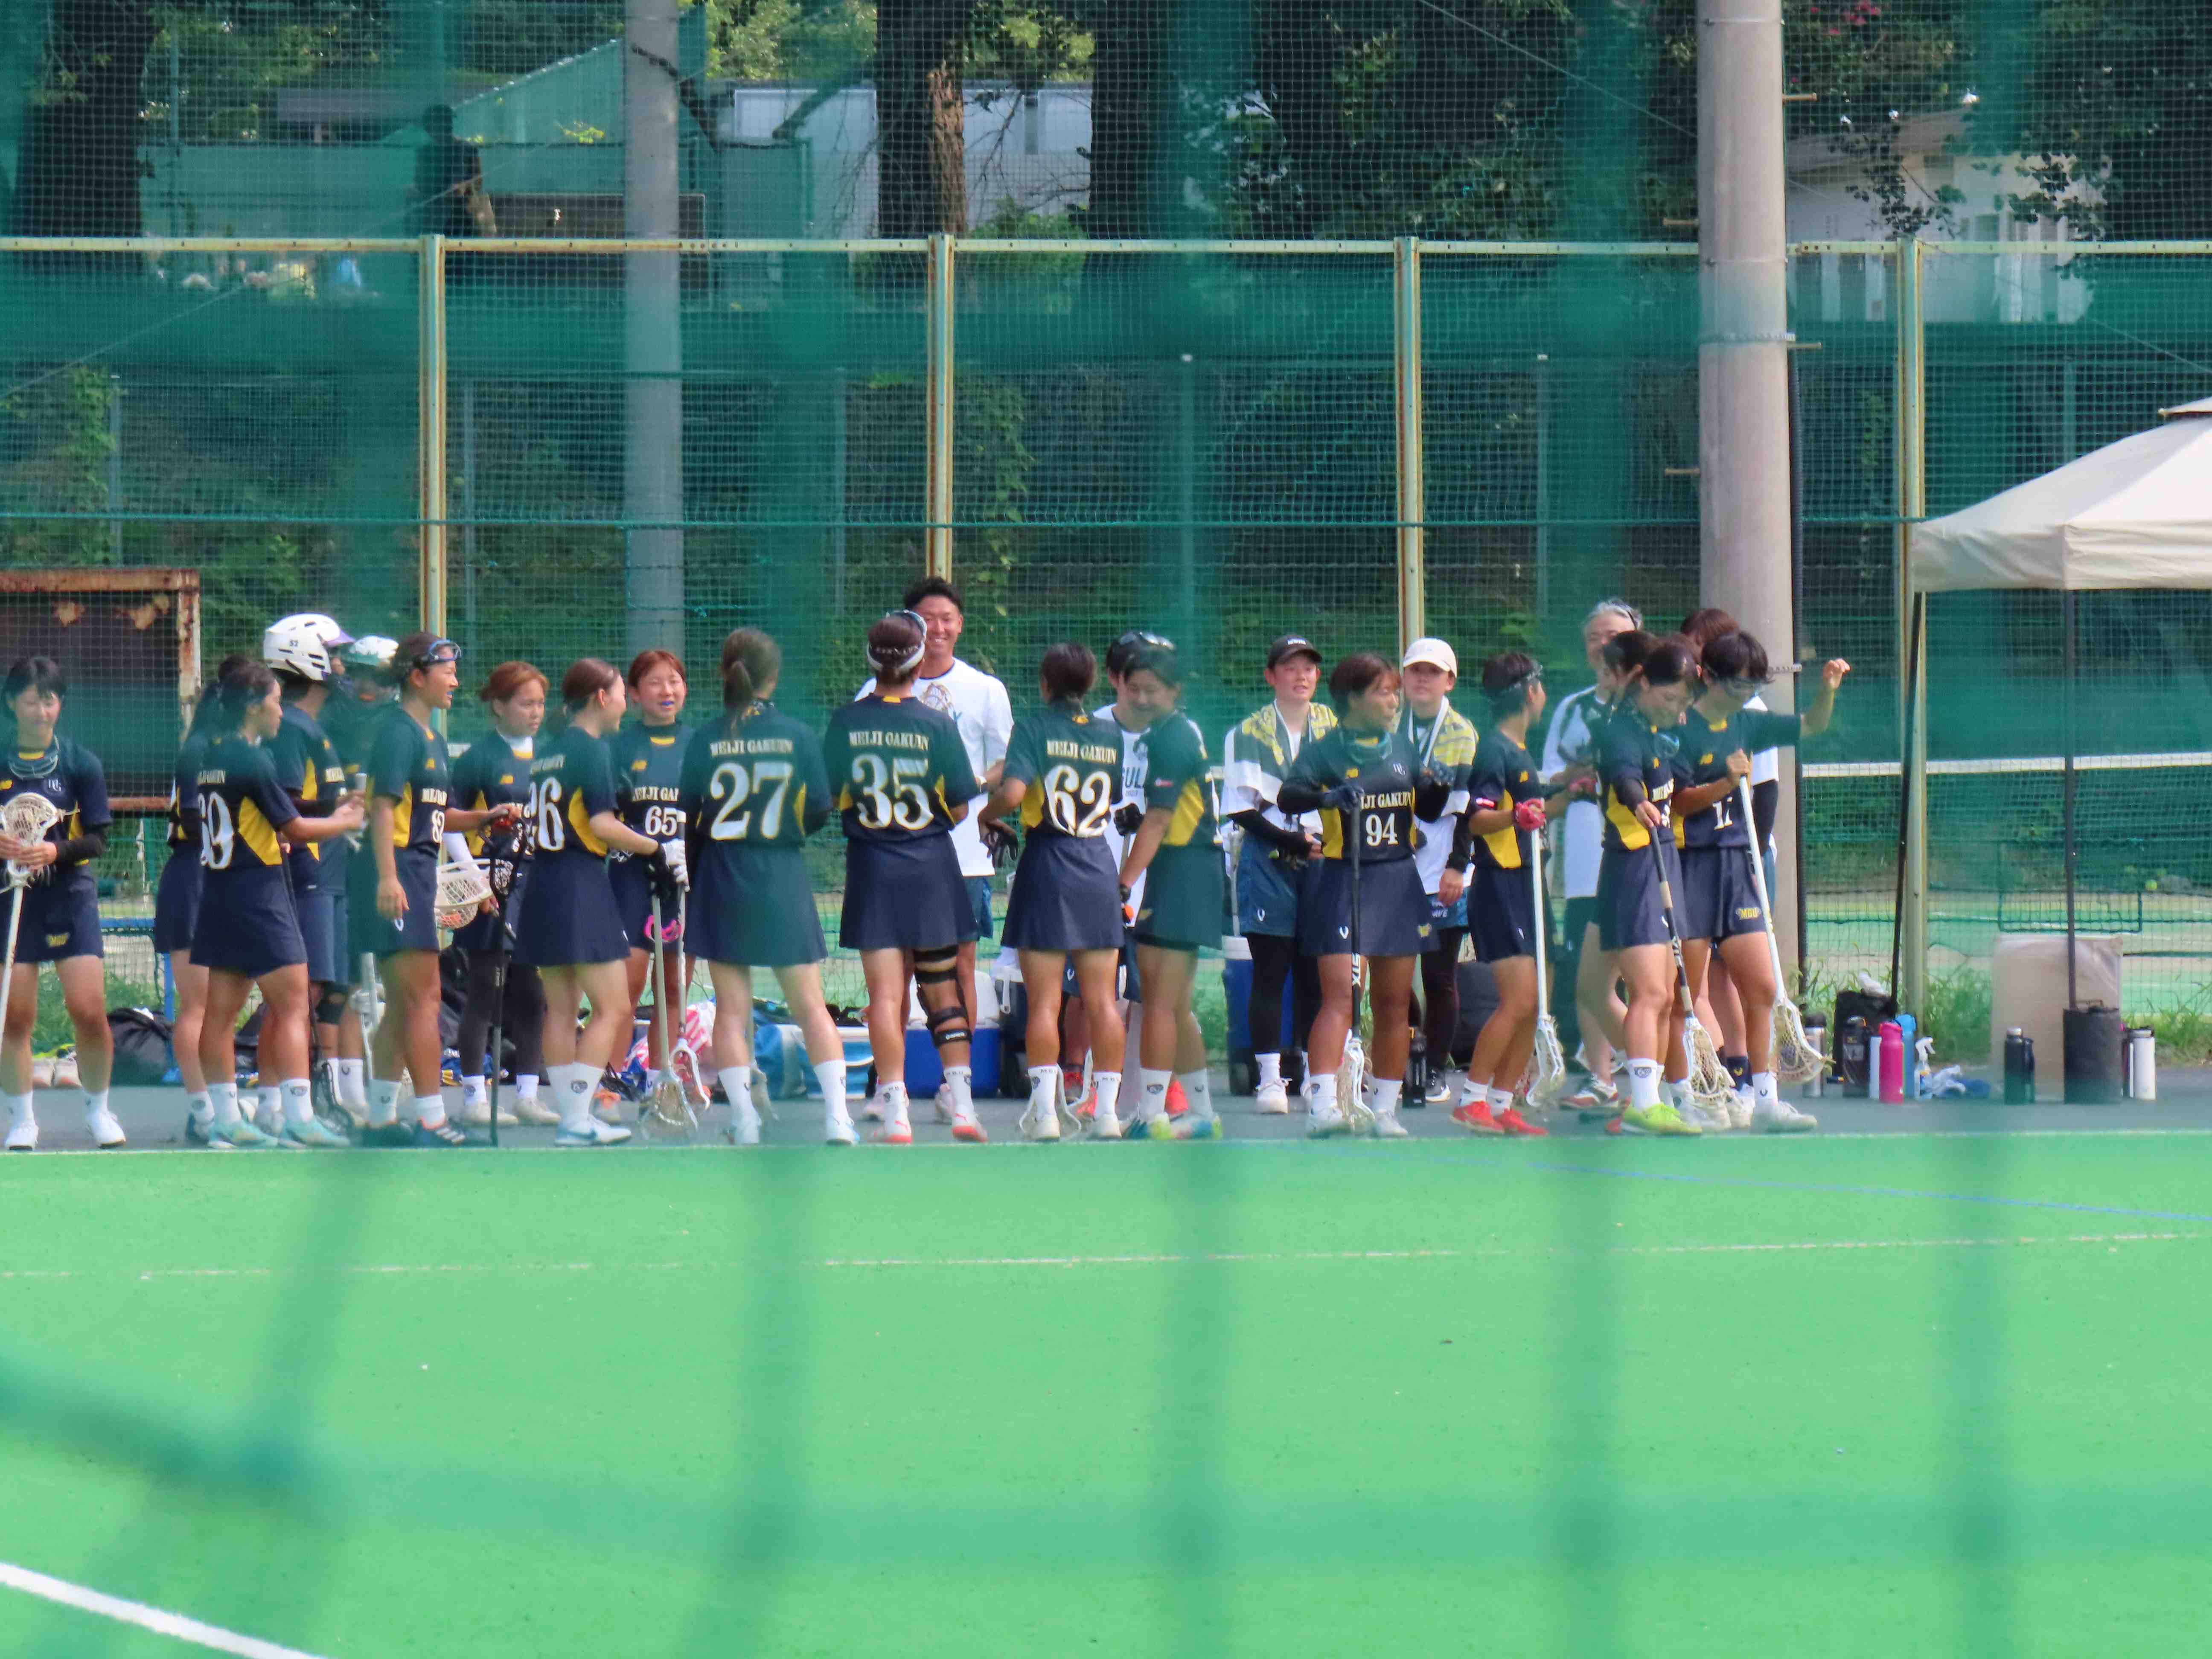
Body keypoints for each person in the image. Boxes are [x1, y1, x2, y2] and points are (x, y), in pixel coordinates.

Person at [1676, 630, 1851, 1132]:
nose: (1745, 695)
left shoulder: (1748, 722)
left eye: (1753, 685)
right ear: (1708, 677)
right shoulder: (1680, 729)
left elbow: (1811, 725)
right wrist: (1726, 783)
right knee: (1686, 994)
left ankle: (1766, 1098)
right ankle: (1691, 1093)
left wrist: (1828, 690)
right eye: (1737, 685)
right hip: (1691, 866)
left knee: (1764, 987)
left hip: (1737, 866)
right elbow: (1678, 802)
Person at [853, 577, 1012, 1118]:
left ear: (960, 624)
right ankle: (887, 1085)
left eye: (948, 618)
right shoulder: (870, 695)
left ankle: (953, 1088)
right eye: (928, 619)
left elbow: (1006, 762)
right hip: (901, 852)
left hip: (962, 855)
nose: (939, 628)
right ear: (911, 629)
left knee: (959, 969)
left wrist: (965, 785)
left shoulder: (985, 689)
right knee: (892, 976)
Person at [190, 659, 364, 1149]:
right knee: (293, 1004)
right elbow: (296, 829)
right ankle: (299, 1119)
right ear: (253, 706)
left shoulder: (211, 755)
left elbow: (266, 815)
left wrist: (328, 811)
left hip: (220, 891)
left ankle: (226, 1121)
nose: (281, 712)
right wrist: (347, 820)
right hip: (259, 893)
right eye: (273, 701)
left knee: (220, 1014)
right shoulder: (254, 760)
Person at [349, 633, 514, 1147]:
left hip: (418, 870)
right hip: (398, 869)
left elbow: (436, 815)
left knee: (404, 1004)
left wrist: (485, 817)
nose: (456, 682)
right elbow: (382, 809)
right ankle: (430, 1119)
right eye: (447, 672)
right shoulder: (398, 734)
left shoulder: (432, 739)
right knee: (425, 998)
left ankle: (380, 1120)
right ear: (418, 676)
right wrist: (387, 877)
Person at [684, 629, 849, 1144]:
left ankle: (745, 1122)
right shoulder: (796, 734)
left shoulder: (706, 738)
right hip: (780, 874)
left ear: (724, 672)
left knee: (731, 1011)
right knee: (811, 1005)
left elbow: (690, 814)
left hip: (723, 874)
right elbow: (821, 806)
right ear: (774, 677)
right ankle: (838, 1119)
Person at [827, 611, 986, 1146]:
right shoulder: (937, 724)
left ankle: (896, 1112)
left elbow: (833, 797)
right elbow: (960, 807)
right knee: (943, 988)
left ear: (872, 662)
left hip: (874, 870)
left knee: (884, 994)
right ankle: (963, 1107)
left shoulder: (847, 722)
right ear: (919, 663)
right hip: (931, 870)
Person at [1278, 653, 1447, 1139]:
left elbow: (1427, 811)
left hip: (1397, 883)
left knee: (1395, 1003)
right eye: (1383, 692)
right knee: (1340, 1000)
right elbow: (1289, 796)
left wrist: (1437, 787)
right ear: (1354, 699)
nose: (1394, 702)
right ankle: (1323, 1107)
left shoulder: (1404, 749)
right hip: (1344, 882)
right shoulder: (1325, 752)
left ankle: (1385, 1109)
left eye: (1395, 692)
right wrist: (1325, 798)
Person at [516, 658, 677, 1147]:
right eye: (621, 694)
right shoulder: (593, 750)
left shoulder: (548, 752)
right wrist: (655, 849)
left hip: (543, 883)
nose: (625, 704)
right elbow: (603, 825)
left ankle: (573, 1118)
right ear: (602, 698)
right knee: (613, 1006)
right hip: (579, 883)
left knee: (561, 1009)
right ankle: (576, 1117)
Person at [980, 642, 1130, 1141]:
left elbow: (1013, 794)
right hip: (1097, 865)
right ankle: (1106, 1114)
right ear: (1091, 684)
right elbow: (1108, 798)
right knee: (1102, 1001)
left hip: (1048, 863)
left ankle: (1045, 1113)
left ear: (1045, 685)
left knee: (1044, 1003)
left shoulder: (1034, 728)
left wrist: (986, 815)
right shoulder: (1109, 734)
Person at [1449, 652, 1578, 1137]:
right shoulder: (1493, 751)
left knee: (1539, 999)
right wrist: (1515, 817)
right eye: (1541, 687)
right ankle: (1472, 1100)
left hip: (1529, 883)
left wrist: (1573, 792)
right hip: (1500, 885)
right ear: (1530, 692)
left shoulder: (1520, 751)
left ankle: (1503, 1103)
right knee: (1519, 1001)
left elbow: (1536, 812)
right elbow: (1479, 819)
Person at [0, 658, 120, 1152]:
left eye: (49, 701)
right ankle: (22, 1120)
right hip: (11, 900)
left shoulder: (80, 764)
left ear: (60, 705)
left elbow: (98, 839)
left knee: (88, 1010)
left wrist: (55, 852)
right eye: (32, 701)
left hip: (69, 896)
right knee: (15, 1017)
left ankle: (99, 1111)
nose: (42, 711)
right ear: (13, 703)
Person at [1594, 636, 1704, 1136]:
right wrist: (1637, 799)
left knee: (1664, 996)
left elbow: (1684, 779)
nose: (1674, 706)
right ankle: (1640, 1104)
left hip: (1665, 859)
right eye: (1668, 697)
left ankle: (1651, 1101)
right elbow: (1623, 774)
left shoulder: (1665, 732)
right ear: (1643, 683)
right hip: (1633, 866)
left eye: (1682, 700)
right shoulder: (1621, 730)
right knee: (1649, 991)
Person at [1221, 634, 1335, 1114]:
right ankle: (1271, 1079)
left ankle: (1313, 1075)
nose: (1301, 676)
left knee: (1315, 975)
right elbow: (1240, 809)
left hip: (1325, 861)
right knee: (1270, 974)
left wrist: (1325, 844)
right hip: (1268, 862)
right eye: (1290, 667)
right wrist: (1293, 842)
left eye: (1308, 667)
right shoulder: (1246, 732)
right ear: (1271, 676)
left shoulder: (1336, 728)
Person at [1114, 643, 1223, 1139]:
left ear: (1175, 691)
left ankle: (1152, 1114)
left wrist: (1122, 883)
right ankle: (1201, 1115)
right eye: (1134, 689)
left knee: (1158, 1000)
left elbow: (1160, 821)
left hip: (1184, 871)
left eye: (1152, 691)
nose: (1141, 699)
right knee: (1174, 1005)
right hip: (1187, 870)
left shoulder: (1171, 739)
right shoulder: (1172, 733)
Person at [1540, 599, 1640, 1112]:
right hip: (1584, 860)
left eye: (1615, 636)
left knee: (1643, 975)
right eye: (1594, 638)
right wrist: (1575, 778)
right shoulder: (1572, 709)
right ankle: (1602, 1079)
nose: (1604, 646)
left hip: (1640, 855)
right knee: (1589, 975)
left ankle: (1657, 1079)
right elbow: (1549, 776)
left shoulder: (1653, 704)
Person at [448, 661, 556, 1128]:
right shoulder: (478, 758)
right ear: (498, 705)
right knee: (484, 991)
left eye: (541, 704)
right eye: (526, 703)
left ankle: (528, 1094)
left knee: (532, 991)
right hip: (489, 884)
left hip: (537, 884)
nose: (536, 712)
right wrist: (474, 882)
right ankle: (474, 1096)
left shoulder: (551, 756)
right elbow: (448, 823)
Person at [261, 614, 356, 1136]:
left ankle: (282, 1101)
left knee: (316, 992)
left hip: (330, 873)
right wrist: (341, 815)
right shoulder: (292, 729)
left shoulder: (314, 726)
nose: (341, 664)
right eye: (333, 654)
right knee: (298, 993)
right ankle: (273, 1103)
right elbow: (286, 812)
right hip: (307, 872)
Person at [605, 649, 693, 1111]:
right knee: (627, 985)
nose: (667, 690)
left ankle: (663, 1084)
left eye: (674, 681)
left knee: (673, 985)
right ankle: (609, 1079)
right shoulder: (619, 746)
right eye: (656, 683)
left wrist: (693, 855)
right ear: (635, 694)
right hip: (631, 877)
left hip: (681, 879)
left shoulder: (698, 746)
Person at [1397, 637, 1479, 1108]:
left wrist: (1457, 867)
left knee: (1439, 976)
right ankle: (1407, 1059)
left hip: (1444, 871)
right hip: (1393, 870)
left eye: (1433, 672)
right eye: (1415, 671)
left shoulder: (1462, 733)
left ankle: (1434, 1071)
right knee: (1392, 976)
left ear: (1450, 680)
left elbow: (1466, 811)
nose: (1422, 679)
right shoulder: (1391, 724)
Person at [323, 635, 399, 1121]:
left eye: (379, 676)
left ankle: (384, 1088)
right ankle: (345, 1089)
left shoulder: (402, 726)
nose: (368, 686)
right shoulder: (331, 719)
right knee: (346, 980)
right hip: (341, 859)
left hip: (389, 864)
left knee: (393, 979)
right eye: (360, 674)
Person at [163, 669, 236, 1147]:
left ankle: (224, 1106)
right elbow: (195, 819)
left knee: (221, 1005)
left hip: (221, 874)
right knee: (198, 1004)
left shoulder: (234, 752)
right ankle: (203, 1111)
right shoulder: (201, 751)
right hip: (194, 874)